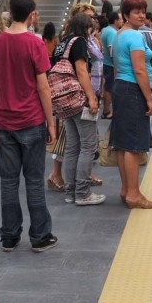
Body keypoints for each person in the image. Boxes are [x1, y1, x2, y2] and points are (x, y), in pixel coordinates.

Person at [0, 0, 58, 252]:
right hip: (31, 121)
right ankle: (40, 236)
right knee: (34, 181)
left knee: (8, 182)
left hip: (5, 122)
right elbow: (43, 88)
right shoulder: (35, 44)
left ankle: (9, 235)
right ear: (31, 14)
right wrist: (51, 123)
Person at [111, 0, 152, 210]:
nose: (141, 15)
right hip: (133, 90)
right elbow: (140, 70)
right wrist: (149, 98)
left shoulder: (119, 34)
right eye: (136, 11)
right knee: (133, 146)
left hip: (121, 87)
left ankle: (125, 189)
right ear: (126, 14)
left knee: (122, 144)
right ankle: (133, 194)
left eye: (143, 11)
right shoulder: (135, 37)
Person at [54, 13, 104, 206]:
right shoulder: (80, 41)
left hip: (63, 101)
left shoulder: (62, 43)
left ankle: (70, 192)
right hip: (78, 99)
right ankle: (83, 193)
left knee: (72, 147)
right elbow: (81, 71)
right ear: (85, 27)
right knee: (88, 146)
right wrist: (91, 97)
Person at [100, 12, 123, 119]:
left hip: (106, 62)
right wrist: (117, 64)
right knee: (109, 88)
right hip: (110, 64)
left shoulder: (105, 30)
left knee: (108, 87)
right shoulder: (112, 33)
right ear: (115, 20)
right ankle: (107, 111)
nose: (122, 21)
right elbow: (111, 49)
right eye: (121, 19)